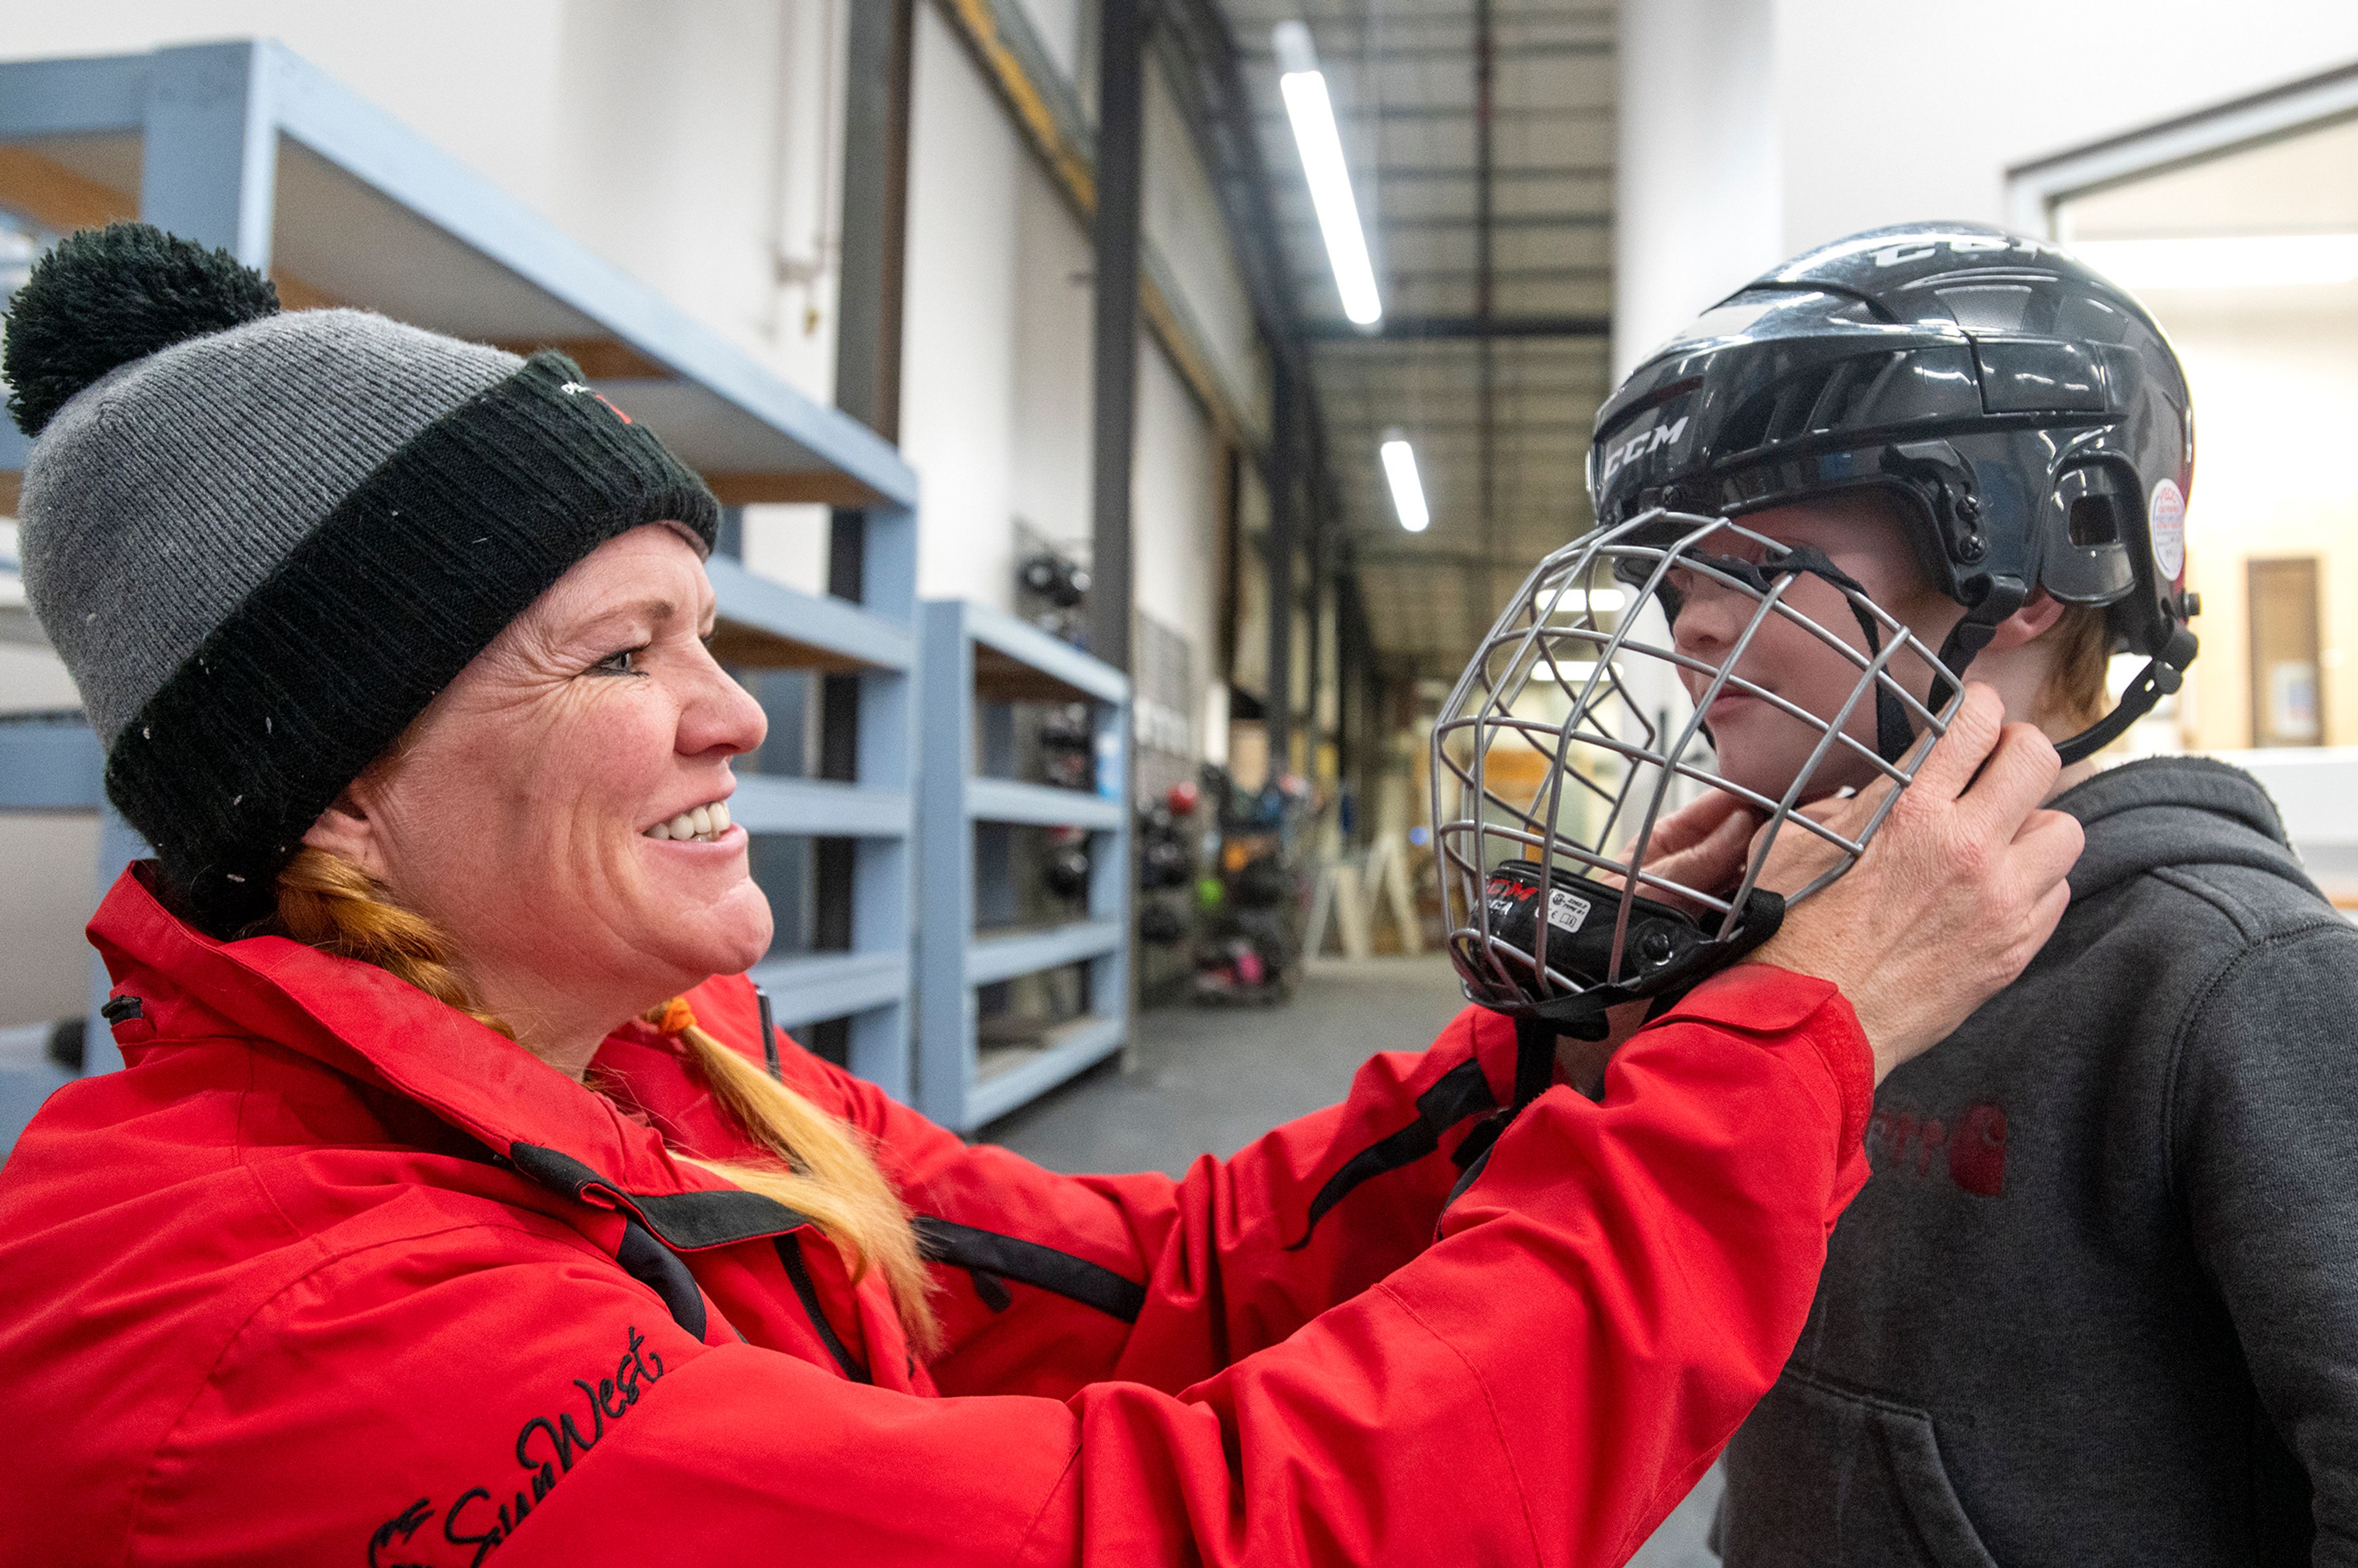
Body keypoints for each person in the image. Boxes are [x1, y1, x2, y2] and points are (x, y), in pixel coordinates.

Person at [0, 224, 2074, 1568]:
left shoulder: (668, 1080)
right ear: (341, 794)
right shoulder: (268, 1331)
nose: (735, 717)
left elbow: (1157, 1277)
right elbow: (1207, 1538)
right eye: (622, 656)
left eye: (708, 636)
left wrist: (1575, 1036)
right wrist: (1795, 1049)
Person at [1586, 222, 2358, 1566]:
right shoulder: (1797, 934)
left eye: (1758, 570)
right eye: (1676, 580)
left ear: (2026, 573)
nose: (1690, 627)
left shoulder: (2234, 975)